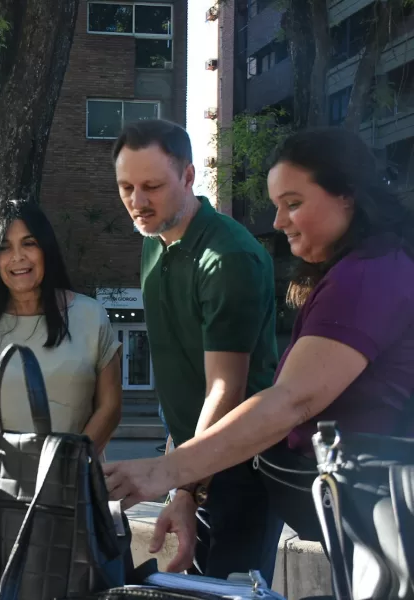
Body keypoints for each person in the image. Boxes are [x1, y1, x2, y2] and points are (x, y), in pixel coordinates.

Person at [104, 127, 414, 544]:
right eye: (127, 187)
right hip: (369, 516)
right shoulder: (364, 268)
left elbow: (291, 400)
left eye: (294, 204)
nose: (277, 221)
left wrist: (169, 474)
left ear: (347, 195)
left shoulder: (364, 278)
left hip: (384, 516)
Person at [106, 120, 283, 581]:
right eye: (126, 187)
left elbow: (225, 390)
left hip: (244, 467)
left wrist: (182, 484)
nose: (137, 202)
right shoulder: (153, 244)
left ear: (188, 177)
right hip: (195, 464)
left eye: (152, 186)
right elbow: (180, 382)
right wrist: (180, 486)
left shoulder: (227, 258)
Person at [0, 199, 122, 454]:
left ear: (46, 248)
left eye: (29, 243)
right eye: (4, 248)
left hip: (76, 482)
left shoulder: (91, 316)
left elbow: (110, 408)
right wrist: (11, 467)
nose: (18, 257)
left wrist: (68, 463)